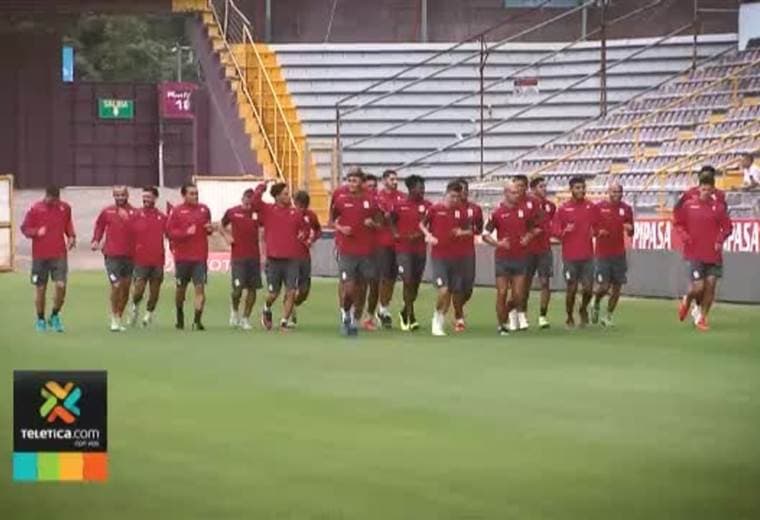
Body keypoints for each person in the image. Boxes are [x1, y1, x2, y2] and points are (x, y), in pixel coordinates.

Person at [674, 175, 733, 331]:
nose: (706, 192)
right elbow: (678, 224)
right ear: (699, 188)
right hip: (694, 253)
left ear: (713, 190)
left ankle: (702, 317)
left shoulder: (718, 208)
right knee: (698, 288)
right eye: (703, 189)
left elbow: (728, 227)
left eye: (708, 189)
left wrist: (720, 239)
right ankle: (687, 299)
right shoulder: (689, 206)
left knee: (711, 286)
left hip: (713, 254)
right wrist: (684, 236)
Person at [483, 182, 538, 336]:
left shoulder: (524, 211)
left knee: (518, 295)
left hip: (520, 257)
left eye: (517, 192)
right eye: (513, 192)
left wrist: (528, 237)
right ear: (506, 193)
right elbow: (485, 234)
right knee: (502, 292)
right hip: (503, 258)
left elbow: (533, 229)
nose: (517, 195)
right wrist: (498, 243)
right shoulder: (497, 213)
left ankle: (507, 312)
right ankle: (501, 325)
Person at [20, 186, 76, 332]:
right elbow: (24, 228)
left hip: (59, 254)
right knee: (41, 288)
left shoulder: (65, 208)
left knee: (61, 286)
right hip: (40, 256)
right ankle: (40, 319)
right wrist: (36, 232)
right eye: (52, 200)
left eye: (57, 200)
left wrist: (71, 236)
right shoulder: (35, 209)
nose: (55, 203)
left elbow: (68, 224)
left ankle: (55, 315)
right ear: (47, 196)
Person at [332, 169, 381, 336]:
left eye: (355, 180)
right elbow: (333, 220)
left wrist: (372, 224)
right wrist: (341, 228)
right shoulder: (341, 200)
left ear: (361, 182)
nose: (352, 184)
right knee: (349, 288)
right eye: (349, 180)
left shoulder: (371, 201)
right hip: (347, 251)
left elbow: (380, 223)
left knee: (361, 289)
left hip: (366, 252)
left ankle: (354, 318)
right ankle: (346, 314)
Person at [255, 182, 308, 331]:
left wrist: (303, 235)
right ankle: (266, 308)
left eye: (288, 193)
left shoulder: (295, 213)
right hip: (274, 259)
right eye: (285, 194)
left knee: (291, 291)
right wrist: (262, 187)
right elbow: (255, 202)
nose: (288, 196)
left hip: (292, 259)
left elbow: (305, 228)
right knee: (273, 293)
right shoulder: (268, 210)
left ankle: (284, 321)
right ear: (277, 196)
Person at [420, 181, 468, 336]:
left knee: (451, 292)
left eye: (458, 197)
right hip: (439, 256)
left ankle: (441, 318)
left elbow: (470, 230)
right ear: (446, 194)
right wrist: (428, 235)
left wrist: (461, 233)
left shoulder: (461, 211)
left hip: (456, 257)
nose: (455, 199)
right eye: (452, 196)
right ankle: (436, 318)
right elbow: (422, 224)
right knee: (443, 289)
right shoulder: (435, 209)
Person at [552, 176, 599, 328]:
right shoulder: (563, 209)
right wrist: (564, 231)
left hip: (587, 256)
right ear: (571, 189)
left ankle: (583, 309)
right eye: (578, 188)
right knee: (571, 288)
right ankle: (569, 316)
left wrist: (595, 232)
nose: (581, 190)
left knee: (588, 289)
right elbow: (555, 230)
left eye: (583, 187)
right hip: (570, 257)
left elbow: (598, 226)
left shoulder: (591, 207)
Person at [166, 183, 213, 330]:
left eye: (196, 193)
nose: (195, 196)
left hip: (200, 257)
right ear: (184, 195)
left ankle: (197, 321)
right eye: (191, 194)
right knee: (181, 289)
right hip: (182, 258)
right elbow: (169, 233)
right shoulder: (176, 211)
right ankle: (179, 315)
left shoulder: (204, 209)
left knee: (200, 288)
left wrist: (209, 229)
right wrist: (185, 233)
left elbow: (208, 228)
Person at [91, 186, 135, 332]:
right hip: (112, 255)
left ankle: (119, 317)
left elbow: (138, 230)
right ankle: (114, 317)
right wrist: (96, 240)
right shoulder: (107, 211)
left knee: (125, 289)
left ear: (127, 195)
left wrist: (127, 219)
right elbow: (99, 226)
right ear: (113, 196)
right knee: (116, 285)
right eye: (117, 195)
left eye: (122, 195)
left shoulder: (134, 212)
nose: (120, 197)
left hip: (130, 255)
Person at [390, 175, 430, 332]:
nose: (423, 191)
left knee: (415, 283)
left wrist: (421, 234)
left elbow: (432, 225)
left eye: (423, 188)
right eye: (420, 188)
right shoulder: (399, 205)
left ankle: (405, 311)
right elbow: (390, 219)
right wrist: (395, 233)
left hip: (420, 250)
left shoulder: (428, 206)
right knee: (407, 280)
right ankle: (409, 315)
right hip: (403, 250)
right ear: (411, 189)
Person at [592, 183, 634, 327]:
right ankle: (596, 301)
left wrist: (629, 228)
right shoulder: (599, 208)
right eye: (614, 191)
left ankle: (608, 316)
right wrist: (598, 232)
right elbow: (592, 228)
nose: (617, 194)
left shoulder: (626, 209)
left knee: (617, 287)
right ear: (608, 192)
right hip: (602, 253)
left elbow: (631, 231)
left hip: (619, 253)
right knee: (604, 287)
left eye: (619, 192)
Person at [220, 188, 262, 331]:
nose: (249, 201)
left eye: (251, 199)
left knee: (252, 289)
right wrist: (227, 236)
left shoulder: (257, 214)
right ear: (242, 198)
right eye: (247, 198)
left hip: (254, 257)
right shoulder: (233, 212)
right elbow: (221, 226)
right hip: (238, 257)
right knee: (237, 289)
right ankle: (234, 310)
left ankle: (245, 318)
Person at [128, 186, 167, 328]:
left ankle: (149, 314)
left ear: (155, 198)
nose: (146, 199)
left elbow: (171, 234)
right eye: (144, 196)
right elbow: (128, 234)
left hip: (157, 259)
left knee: (155, 291)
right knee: (139, 288)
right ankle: (134, 307)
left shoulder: (162, 217)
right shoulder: (136, 215)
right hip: (140, 259)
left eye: (149, 197)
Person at [450, 178, 483, 332]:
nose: (463, 192)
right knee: (457, 286)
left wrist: (471, 230)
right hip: (452, 252)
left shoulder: (475, 209)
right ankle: (459, 317)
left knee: (468, 288)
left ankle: (457, 307)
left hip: (468, 251)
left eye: (465, 189)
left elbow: (479, 228)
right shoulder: (449, 209)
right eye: (460, 189)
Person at [373, 169, 405, 328]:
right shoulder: (378, 197)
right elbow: (381, 218)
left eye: (396, 179)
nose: (395, 182)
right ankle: (381, 308)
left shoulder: (402, 197)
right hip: (383, 243)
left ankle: (384, 307)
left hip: (398, 243)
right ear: (384, 180)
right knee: (385, 277)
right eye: (391, 179)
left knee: (392, 277)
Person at [510, 174, 541, 331]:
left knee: (524, 285)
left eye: (522, 185)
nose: (519, 188)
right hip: (510, 251)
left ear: (526, 187)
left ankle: (521, 313)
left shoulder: (533, 203)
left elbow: (538, 225)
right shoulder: (508, 202)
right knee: (513, 286)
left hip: (528, 250)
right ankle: (512, 315)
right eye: (517, 185)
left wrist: (529, 236)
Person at [525, 176, 556, 329]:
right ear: (533, 189)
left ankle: (543, 316)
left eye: (545, 186)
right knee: (525, 284)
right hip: (528, 250)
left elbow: (552, 225)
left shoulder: (550, 206)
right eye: (541, 186)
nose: (544, 189)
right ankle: (521, 314)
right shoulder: (526, 205)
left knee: (545, 282)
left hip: (544, 249)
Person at [291, 190, 322, 326]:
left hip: (304, 256)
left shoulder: (311, 216)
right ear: (295, 204)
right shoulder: (290, 214)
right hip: (290, 256)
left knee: (304, 291)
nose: (301, 208)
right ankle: (289, 314)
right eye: (299, 205)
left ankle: (293, 303)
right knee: (291, 286)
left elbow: (318, 230)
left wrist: (312, 239)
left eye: (303, 206)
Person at [360, 173, 381, 331]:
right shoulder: (354, 201)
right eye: (369, 186)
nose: (373, 189)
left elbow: (382, 225)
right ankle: (355, 314)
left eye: (375, 186)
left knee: (374, 284)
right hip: (357, 250)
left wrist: (373, 224)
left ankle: (369, 316)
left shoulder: (378, 204)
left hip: (375, 249)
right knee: (360, 285)